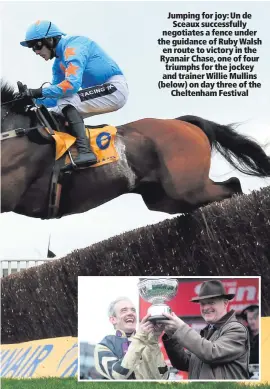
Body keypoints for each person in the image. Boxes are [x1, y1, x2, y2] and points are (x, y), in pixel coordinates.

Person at [20, 20, 129, 168]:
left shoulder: (73, 47)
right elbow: (57, 96)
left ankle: (85, 152)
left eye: (37, 45)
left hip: (114, 88)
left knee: (66, 102)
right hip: (101, 91)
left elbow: (71, 86)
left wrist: (37, 92)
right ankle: (68, 153)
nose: (36, 51)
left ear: (50, 39)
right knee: (55, 112)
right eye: (33, 48)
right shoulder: (58, 65)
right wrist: (32, 100)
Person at [160, 280, 250, 380]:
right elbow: (183, 363)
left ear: (225, 303)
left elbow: (212, 353)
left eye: (211, 302)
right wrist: (171, 335)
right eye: (202, 304)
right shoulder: (207, 333)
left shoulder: (237, 329)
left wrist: (181, 328)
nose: (206, 307)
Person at [94, 296, 169, 380]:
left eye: (133, 310)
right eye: (124, 310)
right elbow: (117, 375)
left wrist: (153, 340)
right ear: (113, 320)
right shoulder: (105, 345)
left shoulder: (147, 341)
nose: (131, 313)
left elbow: (163, 377)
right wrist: (140, 338)